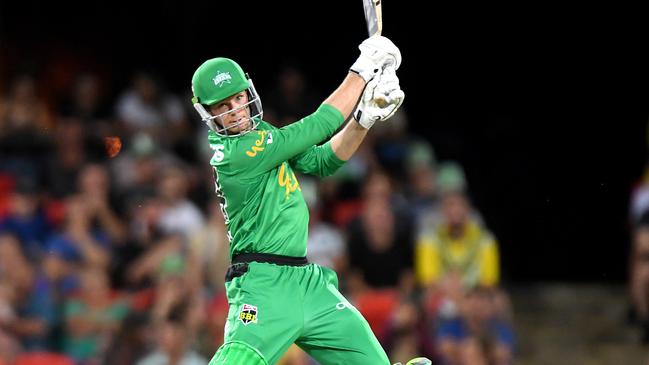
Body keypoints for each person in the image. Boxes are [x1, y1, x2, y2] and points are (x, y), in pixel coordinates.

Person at [190, 35, 428, 365]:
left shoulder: (259, 136)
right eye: (224, 107)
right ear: (208, 114)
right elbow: (319, 124)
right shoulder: (237, 153)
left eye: (238, 98)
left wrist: (363, 119)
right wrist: (362, 71)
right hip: (264, 286)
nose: (237, 111)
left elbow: (321, 161)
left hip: (306, 282)